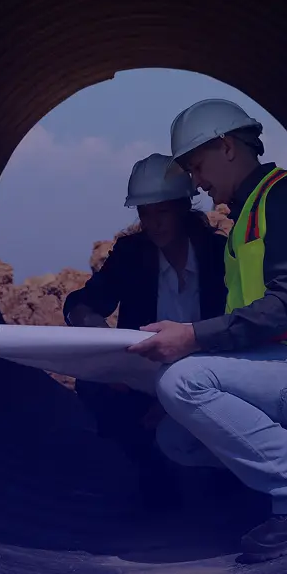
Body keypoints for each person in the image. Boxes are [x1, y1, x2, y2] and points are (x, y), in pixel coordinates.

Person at [127, 99, 287, 561]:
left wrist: (190, 337)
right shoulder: (246, 220)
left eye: (196, 165)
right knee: (175, 437)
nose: (196, 182)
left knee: (183, 382)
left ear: (227, 147)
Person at [62, 152, 228, 512]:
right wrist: (93, 330)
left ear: (183, 207)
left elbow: (237, 327)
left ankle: (225, 477)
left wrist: (172, 402)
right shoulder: (132, 254)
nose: (154, 224)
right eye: (145, 213)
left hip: (211, 374)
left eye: (162, 211)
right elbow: (84, 301)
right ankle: (151, 472)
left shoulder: (219, 255)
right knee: (94, 387)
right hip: (142, 377)